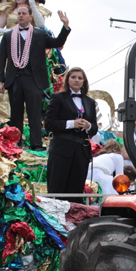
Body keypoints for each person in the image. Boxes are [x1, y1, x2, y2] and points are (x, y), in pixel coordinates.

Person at [0, 6, 71, 150]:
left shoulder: (40, 34)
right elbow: (1, 60)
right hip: (15, 79)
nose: (21, 16)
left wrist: (65, 26)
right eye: (19, 13)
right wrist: (0, 80)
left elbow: (57, 43)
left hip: (34, 80)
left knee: (34, 113)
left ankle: (36, 144)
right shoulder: (8, 36)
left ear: (30, 16)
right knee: (15, 114)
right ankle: (15, 142)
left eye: (24, 13)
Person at [44, 67, 98, 202]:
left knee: (76, 191)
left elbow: (94, 128)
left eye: (80, 78)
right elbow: (49, 124)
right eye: (73, 77)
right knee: (57, 188)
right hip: (61, 150)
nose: (76, 80)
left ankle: (74, 220)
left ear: (84, 81)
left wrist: (88, 126)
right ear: (67, 79)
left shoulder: (90, 102)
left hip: (81, 151)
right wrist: (71, 124)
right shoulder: (57, 98)